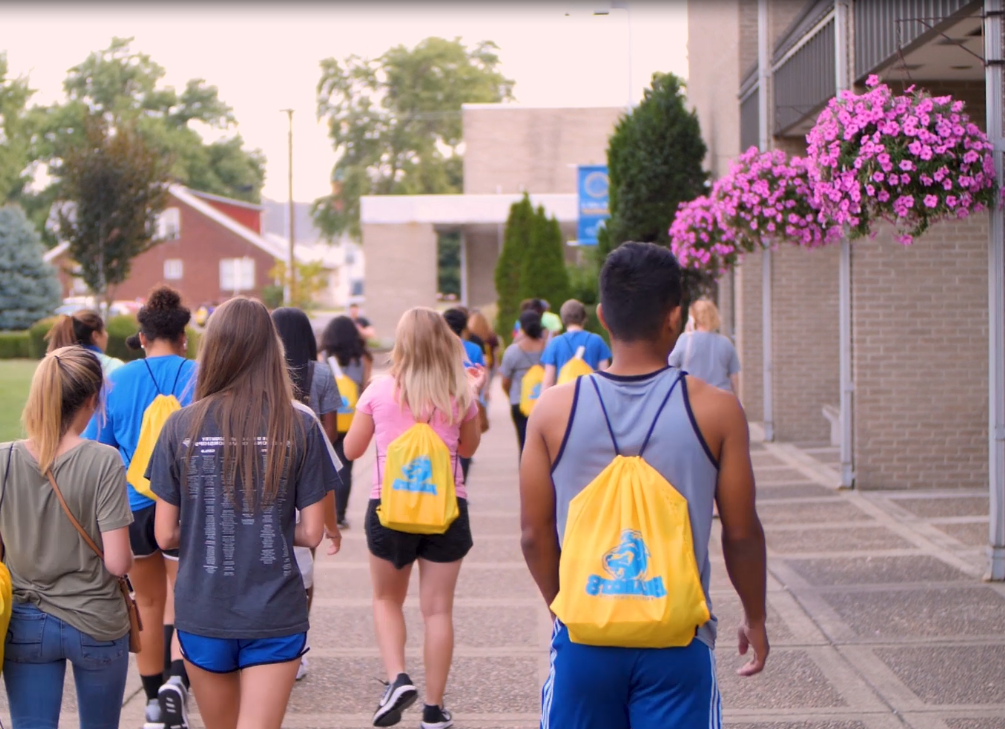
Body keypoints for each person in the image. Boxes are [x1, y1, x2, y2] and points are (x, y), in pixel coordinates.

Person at [520, 242, 768, 728]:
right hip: (677, 640)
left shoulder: (552, 410)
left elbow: (534, 535)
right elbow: (741, 533)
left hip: (585, 640)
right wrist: (755, 617)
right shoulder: (717, 411)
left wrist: (564, 610)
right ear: (674, 317)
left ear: (602, 316)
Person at [149, 297, 340, 729]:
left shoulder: (181, 426)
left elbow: (164, 536)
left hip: (203, 610)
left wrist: (218, 523)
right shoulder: (300, 424)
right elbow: (312, 533)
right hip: (274, 612)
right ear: (271, 350)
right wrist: (263, 523)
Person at [343, 308, 486, 729]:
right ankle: (433, 710)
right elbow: (470, 449)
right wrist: (473, 394)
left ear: (401, 344)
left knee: (387, 599)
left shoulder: (378, 389)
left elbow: (351, 450)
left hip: (391, 509)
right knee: (437, 611)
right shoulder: (458, 391)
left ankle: (397, 679)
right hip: (446, 508)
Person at [1, 346, 134, 729]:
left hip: (26, 621)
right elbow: (118, 562)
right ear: (92, 398)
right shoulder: (104, 460)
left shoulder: (4, 459)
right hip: (97, 619)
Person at [83, 286, 196, 729]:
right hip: (186, 506)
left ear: (143, 338)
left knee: (147, 603)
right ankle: (178, 685)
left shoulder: (116, 382)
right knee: (186, 600)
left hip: (132, 506)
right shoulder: (203, 375)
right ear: (183, 337)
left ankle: (153, 705)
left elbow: (100, 448)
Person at [270, 307, 341, 682]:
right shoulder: (322, 373)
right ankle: (298, 644)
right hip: (309, 477)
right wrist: (310, 452)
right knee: (304, 566)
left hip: (272, 471)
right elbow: (332, 428)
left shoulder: (266, 372)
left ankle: (272, 637)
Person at [318, 315, 374, 529]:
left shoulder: (322, 357)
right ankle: (340, 516)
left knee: (326, 468)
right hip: (353, 420)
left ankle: (325, 514)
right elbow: (365, 389)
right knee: (346, 468)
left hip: (327, 419)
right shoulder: (363, 358)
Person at [442, 309, 485, 483]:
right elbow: (480, 374)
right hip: (466, 400)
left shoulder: (440, 347)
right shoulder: (474, 348)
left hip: (445, 400)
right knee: (464, 446)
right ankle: (460, 483)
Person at [668, 299, 741, 395]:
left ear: (692, 318)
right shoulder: (726, 343)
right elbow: (734, 378)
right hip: (720, 399)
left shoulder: (685, 340)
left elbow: (670, 367)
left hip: (693, 400)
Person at [499, 311, 547, 452]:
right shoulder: (549, 348)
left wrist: (510, 395)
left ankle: (526, 472)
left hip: (519, 402)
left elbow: (505, 381)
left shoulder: (512, 351)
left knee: (524, 444)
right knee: (545, 446)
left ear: (522, 327)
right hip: (544, 402)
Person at [540, 299, 611, 390]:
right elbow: (604, 376)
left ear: (563, 320)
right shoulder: (597, 340)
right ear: (584, 318)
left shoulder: (555, 343)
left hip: (564, 397)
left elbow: (548, 381)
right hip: (591, 396)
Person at [45, 310, 125, 375]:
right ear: (95, 336)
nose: (107, 335)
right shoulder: (114, 366)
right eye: (104, 330)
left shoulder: (55, 364)